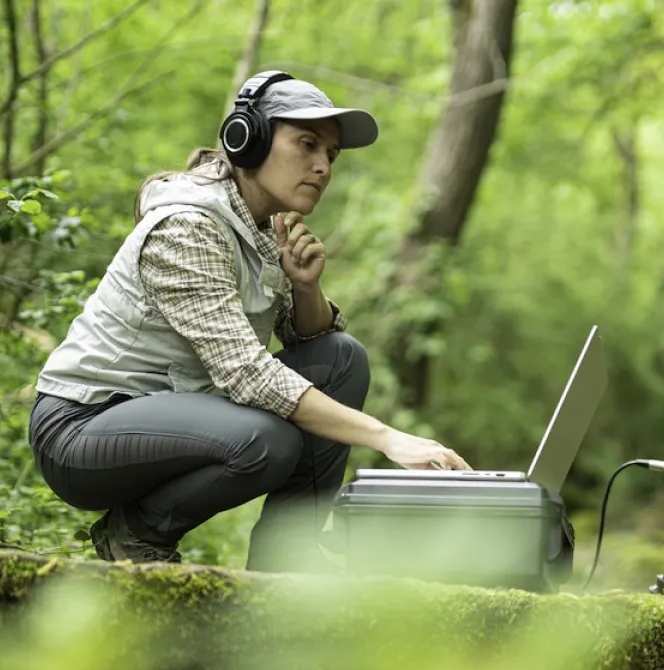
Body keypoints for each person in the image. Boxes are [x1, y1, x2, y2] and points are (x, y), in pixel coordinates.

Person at [27, 70, 471, 572]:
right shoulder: (188, 226)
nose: (323, 166)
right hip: (82, 430)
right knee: (267, 440)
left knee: (341, 359)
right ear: (248, 139)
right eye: (307, 144)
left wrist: (305, 288)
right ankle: (137, 534)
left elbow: (311, 342)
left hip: (173, 416)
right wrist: (386, 437)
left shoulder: (259, 228)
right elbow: (247, 374)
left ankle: (288, 561)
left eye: (331, 154)